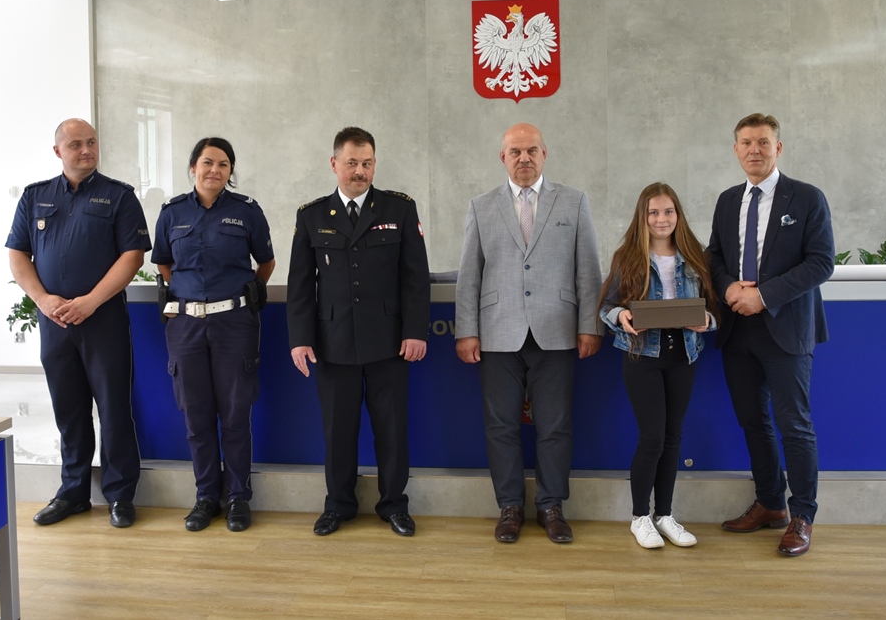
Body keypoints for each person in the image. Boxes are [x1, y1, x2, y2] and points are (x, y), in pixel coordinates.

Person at [455, 123, 602, 544]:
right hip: (497, 333)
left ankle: (551, 506)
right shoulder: (481, 206)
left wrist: (589, 325)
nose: (524, 158)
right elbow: (469, 274)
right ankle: (510, 507)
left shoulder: (573, 201)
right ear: (502, 157)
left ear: (544, 154)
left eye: (531, 150)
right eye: (515, 152)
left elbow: (588, 270)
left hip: (557, 331)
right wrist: (466, 330)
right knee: (500, 426)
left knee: (555, 425)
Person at [287, 126, 430, 537]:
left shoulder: (399, 209)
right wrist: (300, 339)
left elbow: (415, 278)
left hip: (389, 342)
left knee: (392, 430)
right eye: (351, 163)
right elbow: (300, 285)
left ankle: (394, 505)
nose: (360, 171)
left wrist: (415, 331)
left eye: (367, 163)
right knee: (338, 431)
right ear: (334, 164)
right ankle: (338, 506)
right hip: (333, 343)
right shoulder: (312, 215)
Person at [7, 118, 150, 529]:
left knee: (114, 409)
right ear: (58, 151)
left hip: (103, 320)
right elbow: (17, 254)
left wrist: (91, 301)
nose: (86, 150)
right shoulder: (35, 196)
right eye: (75, 144)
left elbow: (132, 256)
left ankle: (120, 495)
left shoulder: (119, 196)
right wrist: (43, 299)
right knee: (68, 410)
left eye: (91, 142)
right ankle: (73, 493)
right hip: (55, 323)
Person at [707, 113, 834, 557]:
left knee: (794, 426)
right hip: (738, 330)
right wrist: (728, 288)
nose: (754, 150)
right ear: (736, 150)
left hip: (787, 329)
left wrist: (763, 296)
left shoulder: (807, 198)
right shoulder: (727, 201)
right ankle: (770, 503)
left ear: (778, 148)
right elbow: (714, 257)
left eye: (763, 142)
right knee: (753, 421)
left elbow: (821, 263)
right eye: (746, 143)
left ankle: (802, 516)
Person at [152, 138, 275, 533]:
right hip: (186, 326)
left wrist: (242, 294)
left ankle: (238, 497)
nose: (215, 170)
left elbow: (266, 262)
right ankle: (206, 496)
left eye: (223, 164)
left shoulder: (247, 212)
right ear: (193, 167)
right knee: (196, 415)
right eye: (207, 162)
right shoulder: (171, 213)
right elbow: (165, 265)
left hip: (234, 324)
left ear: (230, 171)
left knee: (236, 414)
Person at [598, 183, 717, 549]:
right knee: (651, 437)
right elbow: (607, 307)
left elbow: (713, 307)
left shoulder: (695, 256)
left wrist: (708, 321)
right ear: (643, 217)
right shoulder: (627, 257)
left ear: (677, 215)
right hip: (642, 356)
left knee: (672, 437)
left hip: (683, 355)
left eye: (668, 211)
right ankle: (640, 517)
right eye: (653, 212)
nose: (661, 219)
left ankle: (664, 515)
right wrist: (622, 316)